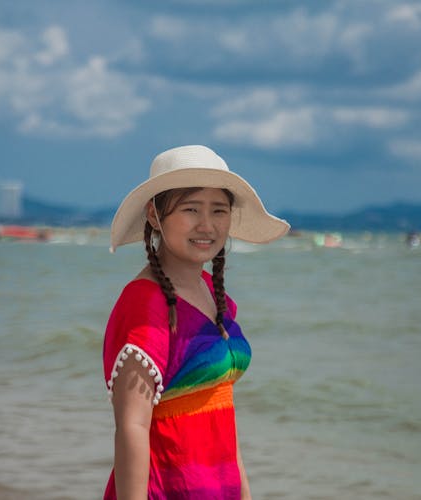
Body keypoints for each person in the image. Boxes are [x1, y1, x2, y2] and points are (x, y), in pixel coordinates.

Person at [102, 145, 290, 499]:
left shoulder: (211, 291)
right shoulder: (145, 303)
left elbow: (221, 415)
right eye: (191, 209)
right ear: (155, 217)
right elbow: (132, 428)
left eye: (218, 210)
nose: (206, 225)